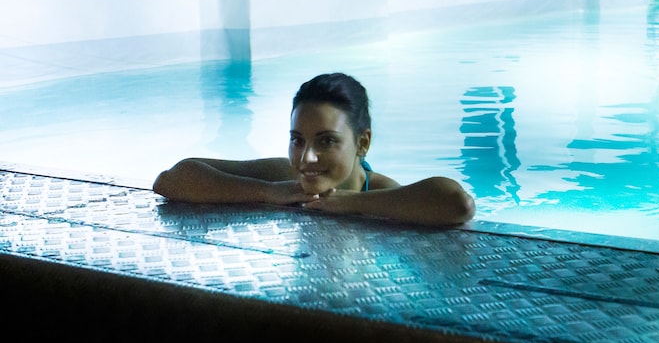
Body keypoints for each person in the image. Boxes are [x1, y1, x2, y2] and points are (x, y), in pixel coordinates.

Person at [153, 72, 476, 227]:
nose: (306, 158)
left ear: (362, 143)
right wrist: (267, 192)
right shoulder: (285, 178)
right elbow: (172, 178)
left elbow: (457, 203)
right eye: (297, 140)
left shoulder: (379, 191)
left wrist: (351, 203)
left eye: (326, 141)